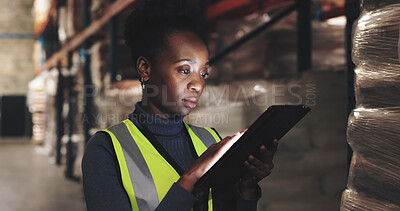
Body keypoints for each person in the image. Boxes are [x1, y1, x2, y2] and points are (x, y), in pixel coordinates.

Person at [82, 0, 278, 210]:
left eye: (203, 73)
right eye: (184, 70)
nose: (197, 85)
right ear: (145, 69)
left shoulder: (210, 139)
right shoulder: (106, 150)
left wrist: (246, 189)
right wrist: (190, 179)